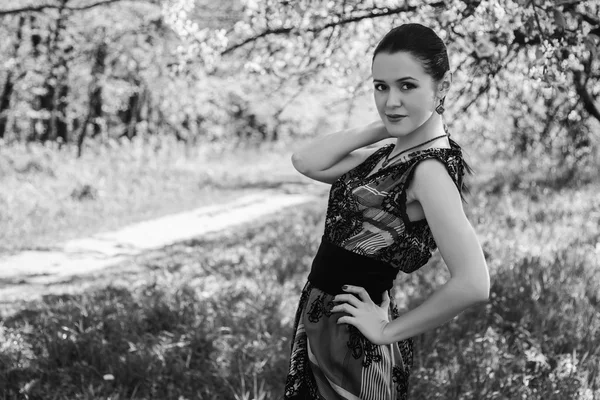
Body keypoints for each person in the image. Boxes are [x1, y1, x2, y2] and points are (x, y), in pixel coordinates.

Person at [284, 23, 490, 400]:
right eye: (381, 86)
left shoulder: (428, 170)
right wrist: (389, 124)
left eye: (407, 86)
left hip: (357, 342)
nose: (391, 99)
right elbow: (306, 161)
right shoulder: (391, 154)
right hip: (322, 324)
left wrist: (385, 332)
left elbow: (474, 283)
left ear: (442, 87)